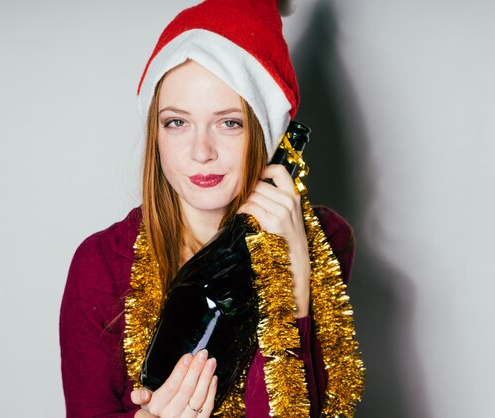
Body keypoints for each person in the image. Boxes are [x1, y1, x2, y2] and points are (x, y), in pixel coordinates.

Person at [59, 1, 364, 417]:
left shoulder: (325, 239)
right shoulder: (101, 264)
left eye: (229, 122)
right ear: (156, 133)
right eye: (177, 123)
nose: (201, 152)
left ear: (265, 130)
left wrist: (290, 273)